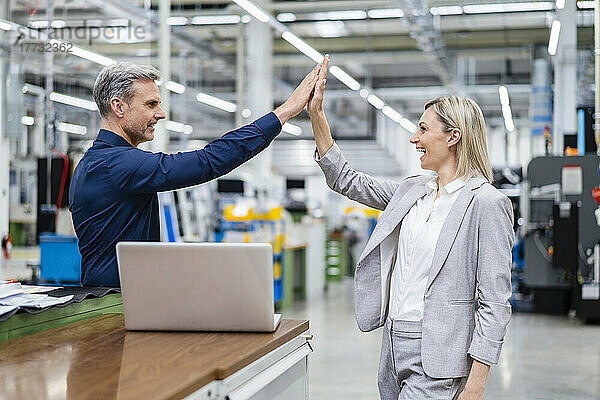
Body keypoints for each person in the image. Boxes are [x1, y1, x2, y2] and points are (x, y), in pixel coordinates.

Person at [308, 55, 513, 400]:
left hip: (441, 357)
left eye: (423, 129)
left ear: (453, 137)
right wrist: (316, 115)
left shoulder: (487, 204)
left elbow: (495, 302)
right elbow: (346, 180)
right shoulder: (412, 190)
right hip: (392, 345)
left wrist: (476, 384)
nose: (413, 138)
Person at [69, 61, 319, 287]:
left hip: (114, 298)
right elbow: (208, 161)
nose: (161, 113)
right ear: (118, 107)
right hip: (115, 306)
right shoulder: (117, 164)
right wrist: (284, 112)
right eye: (151, 104)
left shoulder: (91, 163)